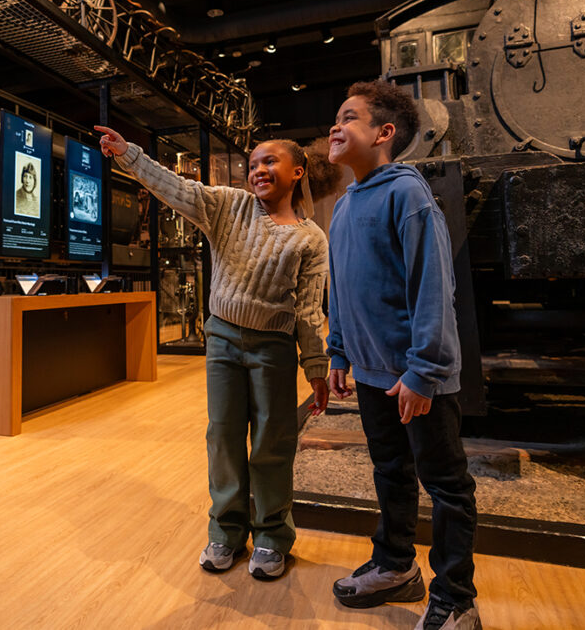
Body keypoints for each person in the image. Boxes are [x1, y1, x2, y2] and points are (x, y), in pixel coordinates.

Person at [95, 124, 342, 580]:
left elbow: (308, 310)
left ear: (297, 172)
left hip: (274, 348)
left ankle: (271, 536)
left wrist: (315, 366)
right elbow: (176, 188)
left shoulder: (311, 240)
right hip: (223, 341)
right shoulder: (228, 206)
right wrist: (130, 155)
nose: (258, 170)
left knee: (272, 443)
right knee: (223, 438)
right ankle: (226, 532)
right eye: (252, 165)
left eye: (270, 162)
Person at [325, 81, 479, 630]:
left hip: (418, 378)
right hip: (369, 374)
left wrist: (424, 370)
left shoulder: (407, 194)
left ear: (384, 133)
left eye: (348, 118)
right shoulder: (343, 207)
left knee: (446, 485)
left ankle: (456, 599)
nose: (334, 128)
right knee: (390, 471)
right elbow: (338, 287)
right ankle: (395, 566)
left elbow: (434, 286)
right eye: (334, 119)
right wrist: (338, 350)